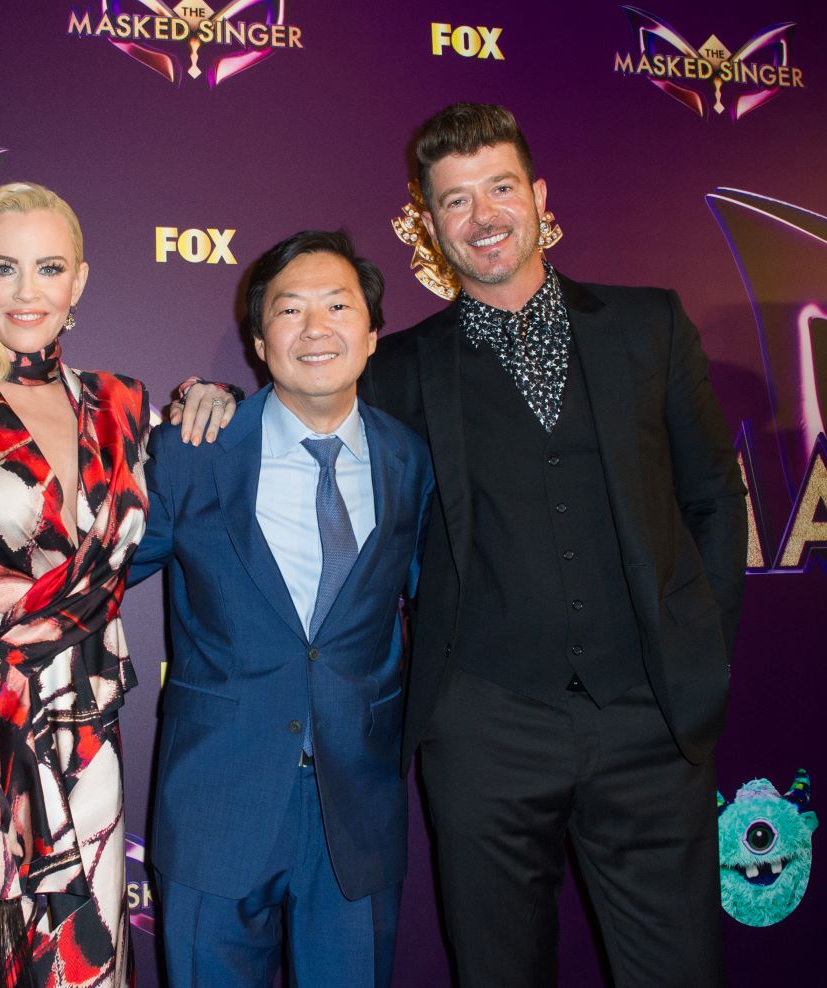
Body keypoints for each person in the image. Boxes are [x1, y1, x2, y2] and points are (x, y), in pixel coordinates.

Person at [365, 102, 747, 986]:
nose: (484, 215)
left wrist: (701, 653)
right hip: (486, 730)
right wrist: (215, 400)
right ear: (430, 222)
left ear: (538, 195)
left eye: (500, 188)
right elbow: (303, 420)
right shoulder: (398, 370)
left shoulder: (647, 326)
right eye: (455, 201)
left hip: (648, 721)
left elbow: (714, 503)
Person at [0, 181, 235, 987]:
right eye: (4, 268)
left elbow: (129, 551)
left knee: (84, 967)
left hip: (87, 743)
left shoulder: (124, 403)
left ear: (80, 282)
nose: (28, 292)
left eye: (49, 268)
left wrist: (221, 394)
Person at [130, 230, 434, 987]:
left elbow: (446, 604)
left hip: (356, 817)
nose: (316, 327)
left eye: (338, 306)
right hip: (214, 811)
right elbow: (90, 575)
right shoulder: (194, 449)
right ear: (261, 342)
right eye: (290, 310)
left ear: (372, 334)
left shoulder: (412, 459)